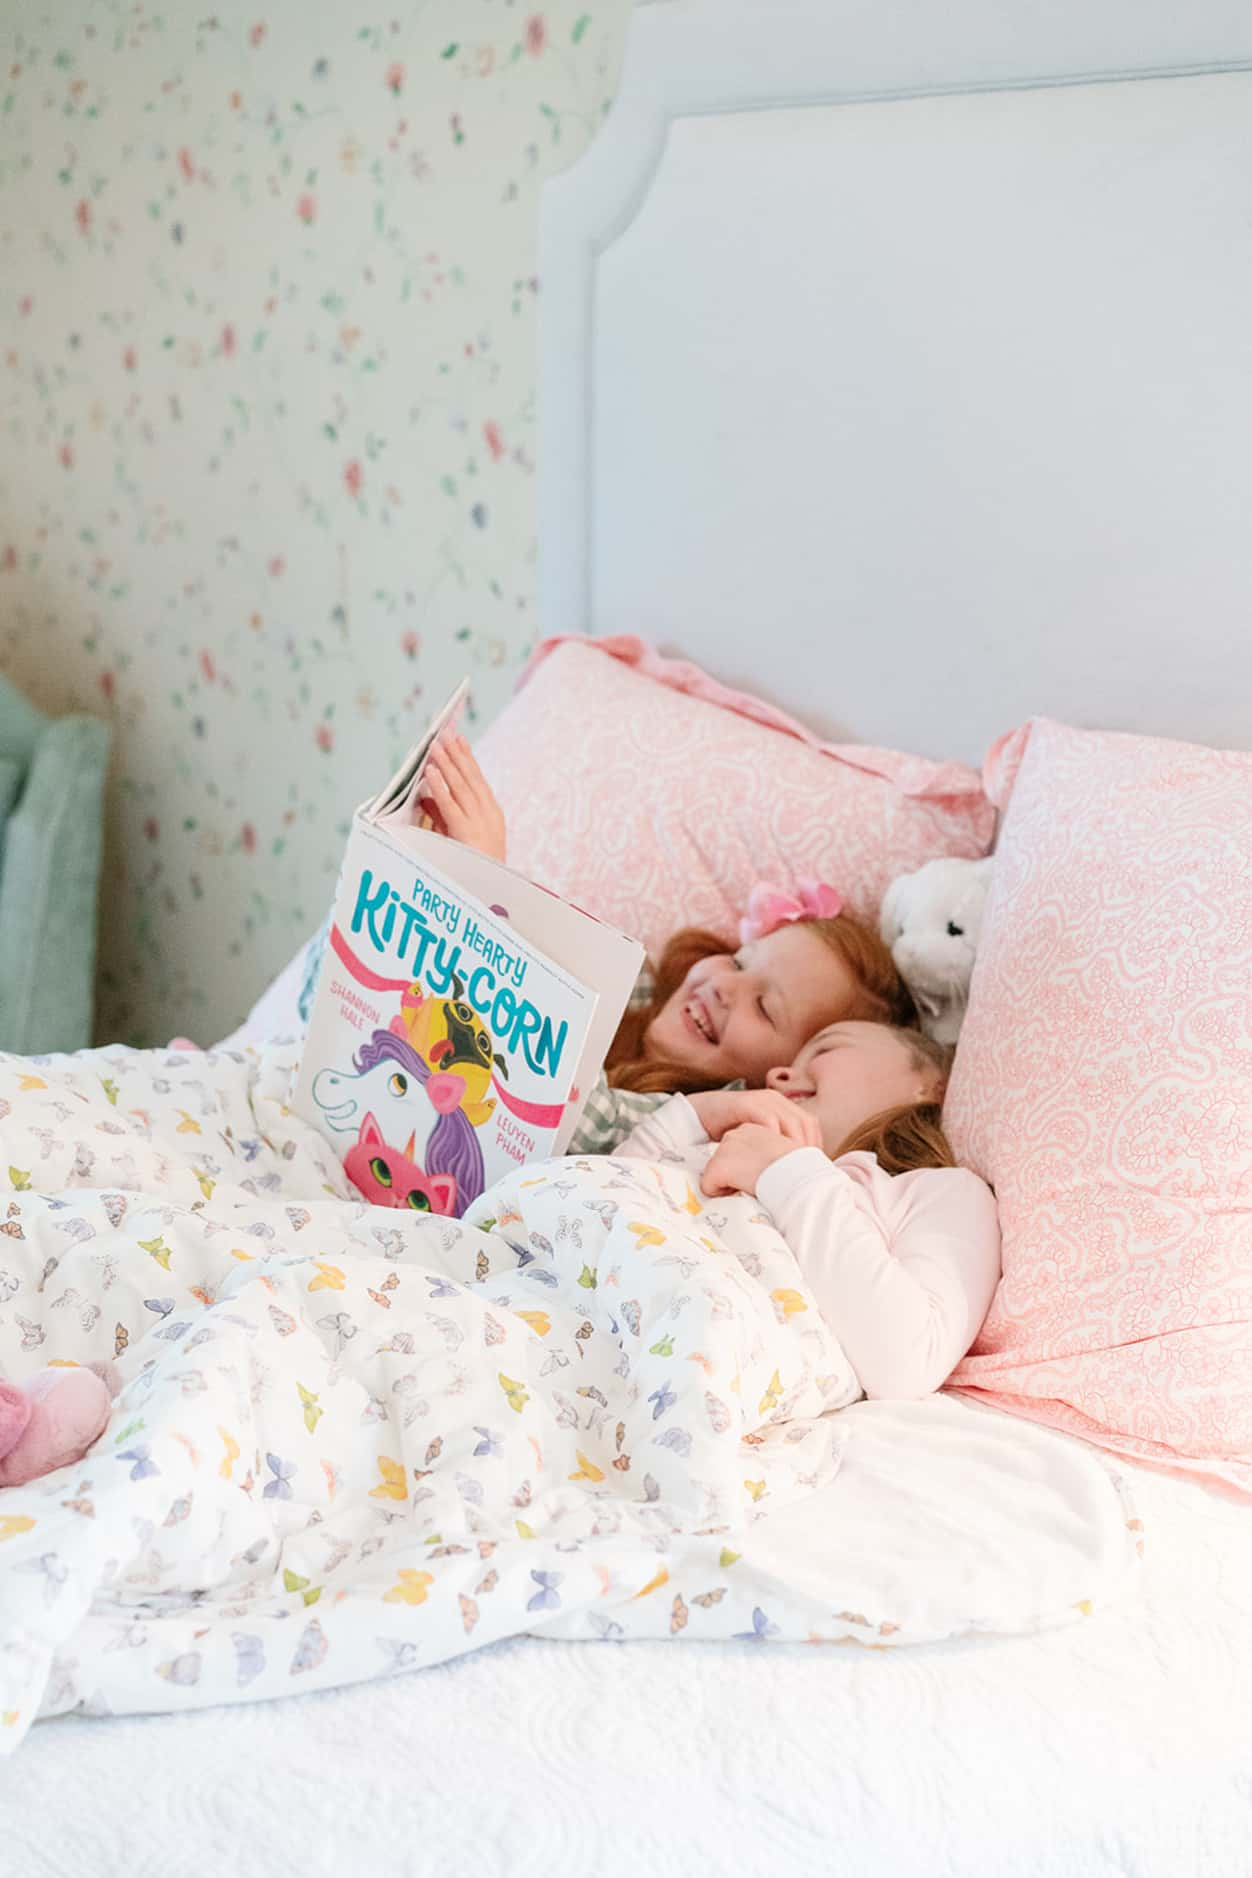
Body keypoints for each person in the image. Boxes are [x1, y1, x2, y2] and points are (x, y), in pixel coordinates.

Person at [420, 733, 918, 1154]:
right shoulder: (627, 986)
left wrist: (486, 889)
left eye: (765, 1008)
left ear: (777, 1079)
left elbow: (571, 1113)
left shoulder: (696, 1128)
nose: (725, 987)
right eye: (741, 962)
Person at [614, 1020, 1001, 1400]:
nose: (776, 1075)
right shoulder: (733, 1143)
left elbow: (909, 1362)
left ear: (931, 1086)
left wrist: (789, 1175)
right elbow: (610, 1199)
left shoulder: (937, 1192)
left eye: (827, 1047)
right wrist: (700, 1114)